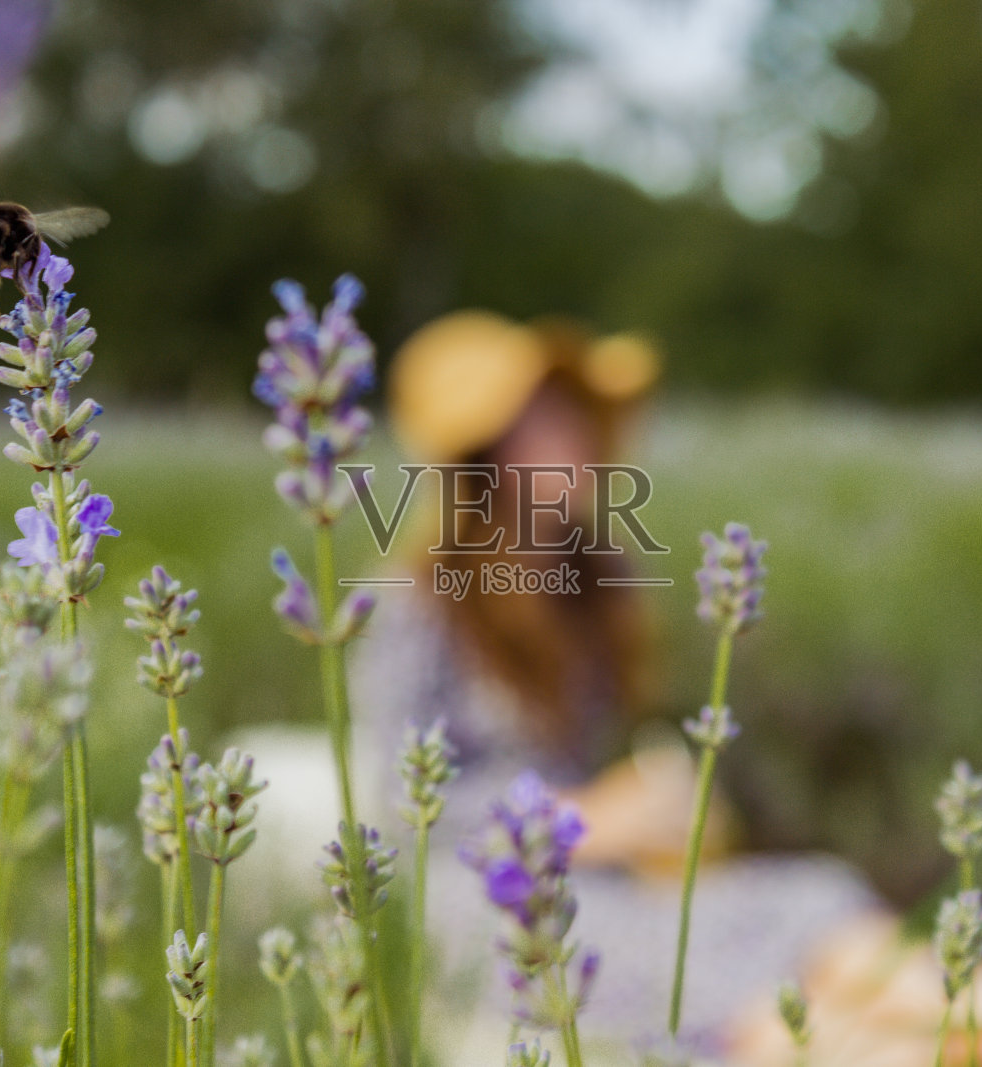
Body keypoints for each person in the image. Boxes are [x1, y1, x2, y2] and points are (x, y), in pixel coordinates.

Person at [349, 310, 880, 1059]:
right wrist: (588, 816)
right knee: (760, 999)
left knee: (821, 897)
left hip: (593, 874)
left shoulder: (586, 586)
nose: (572, 445)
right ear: (482, 459)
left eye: (572, 420)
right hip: (489, 900)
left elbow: (587, 769)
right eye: (538, 426)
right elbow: (408, 816)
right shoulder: (417, 603)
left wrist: (654, 808)